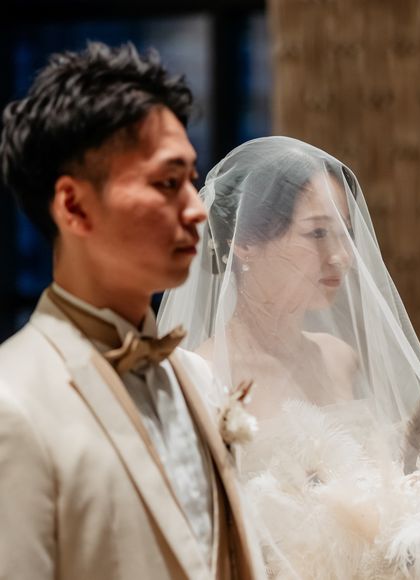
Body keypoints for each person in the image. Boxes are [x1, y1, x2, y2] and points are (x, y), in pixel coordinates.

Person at [159, 136, 420, 579]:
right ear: (245, 242)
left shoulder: (339, 358)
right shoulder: (200, 376)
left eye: (345, 232)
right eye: (318, 233)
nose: (341, 256)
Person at [0, 42, 264, 580]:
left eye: (191, 180)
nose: (196, 209)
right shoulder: (14, 402)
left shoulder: (197, 376)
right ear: (74, 205)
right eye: (167, 183)